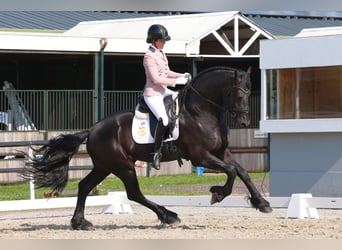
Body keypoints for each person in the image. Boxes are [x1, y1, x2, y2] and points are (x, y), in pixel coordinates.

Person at [143, 24, 191, 170]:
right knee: (163, 120)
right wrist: (176, 82)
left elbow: (167, 71)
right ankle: (156, 154)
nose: (164, 43)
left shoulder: (160, 52)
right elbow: (156, 79)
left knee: (184, 101)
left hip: (163, 91)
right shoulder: (149, 56)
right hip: (153, 94)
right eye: (162, 40)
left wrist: (181, 75)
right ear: (154, 40)